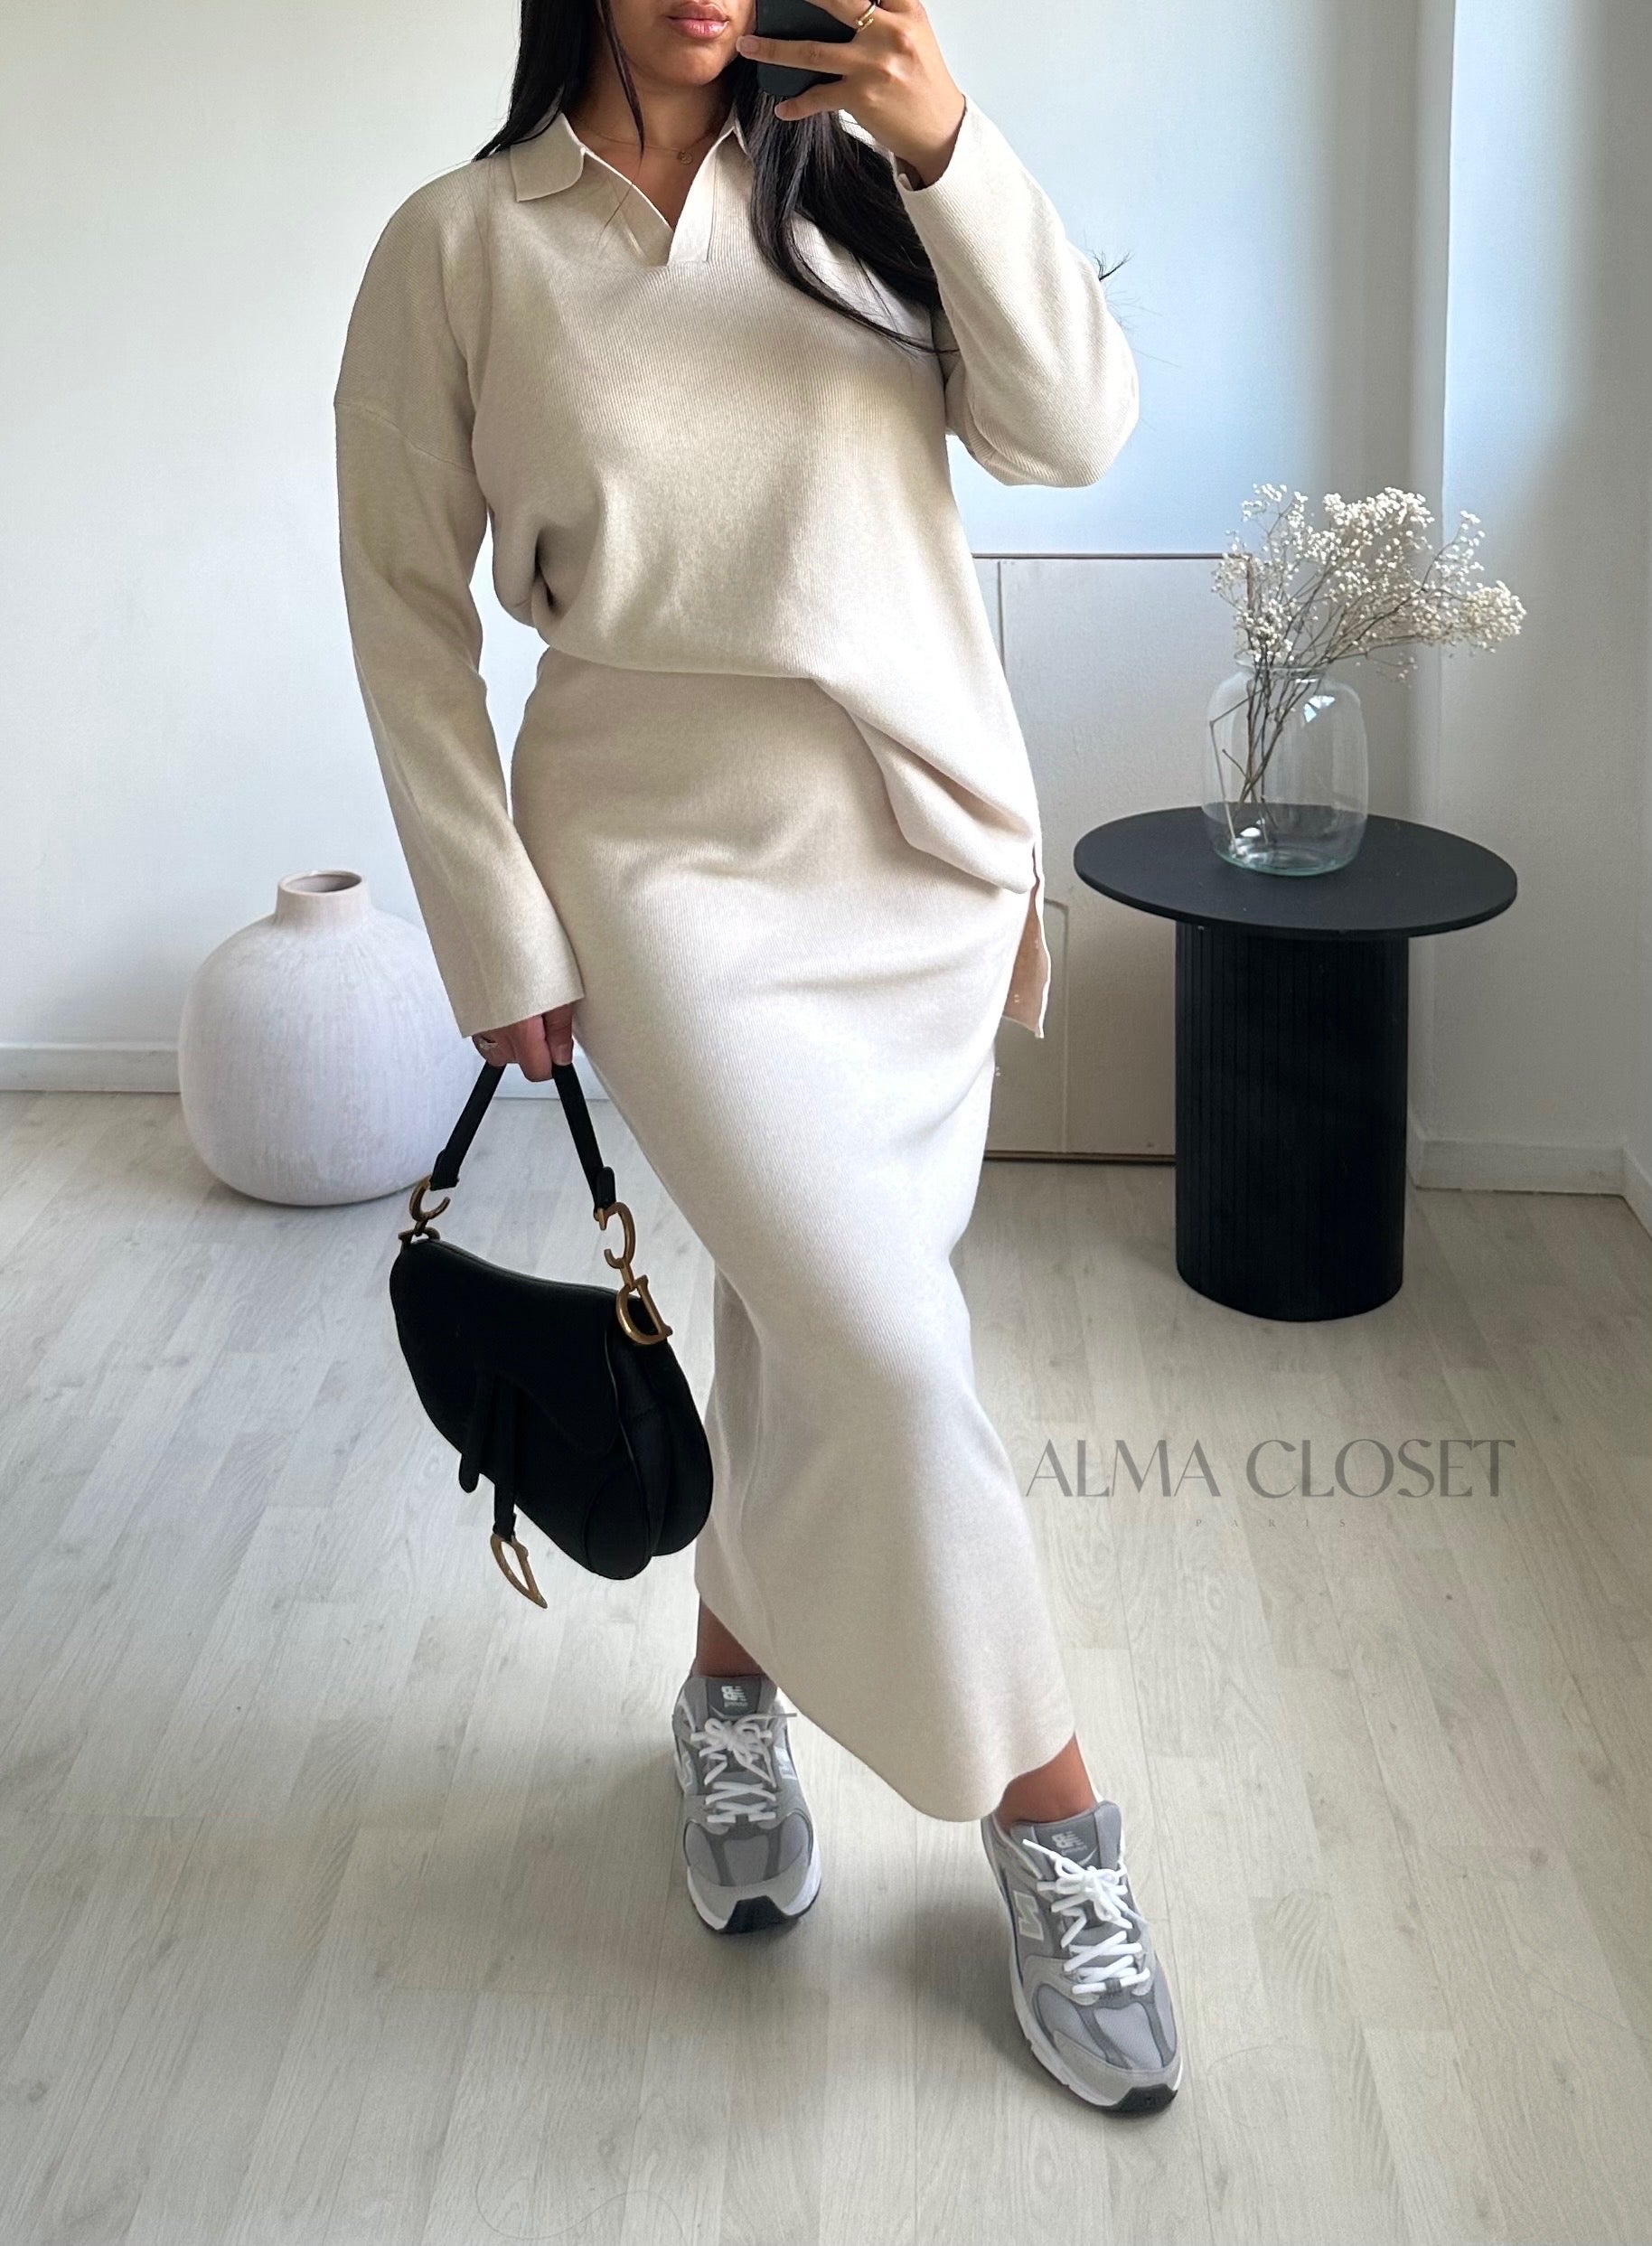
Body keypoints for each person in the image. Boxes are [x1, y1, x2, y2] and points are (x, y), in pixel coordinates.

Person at [333, 0, 1180, 2110]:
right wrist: (488, 922)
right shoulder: (461, 243)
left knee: (816, 1322)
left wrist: (944, 132)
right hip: (657, 867)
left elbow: (1074, 429)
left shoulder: (872, 186)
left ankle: (728, 1690)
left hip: (921, 850)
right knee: (889, 1347)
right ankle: (1052, 1814)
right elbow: (402, 607)